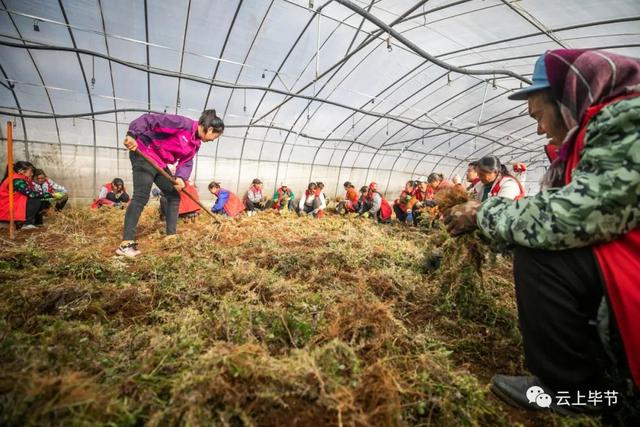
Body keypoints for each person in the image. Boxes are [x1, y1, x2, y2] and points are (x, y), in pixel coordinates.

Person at [444, 49, 640, 415]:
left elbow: (569, 218)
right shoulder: (600, 133)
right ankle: (606, 375)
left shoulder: (630, 121)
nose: (539, 129)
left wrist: (483, 214)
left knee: (544, 253)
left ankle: (574, 392)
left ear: (566, 100)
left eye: (539, 115)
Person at [117, 110, 224, 257]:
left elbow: (187, 162)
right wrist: (132, 135)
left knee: (174, 196)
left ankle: (171, 237)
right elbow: (151, 119)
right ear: (210, 129)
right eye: (215, 137)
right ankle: (126, 244)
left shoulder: (195, 144)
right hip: (144, 152)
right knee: (141, 196)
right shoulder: (182, 124)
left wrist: (180, 178)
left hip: (160, 163)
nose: (213, 140)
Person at [0, 161, 52, 229]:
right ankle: (27, 223)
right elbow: (31, 194)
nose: (32, 174)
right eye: (30, 171)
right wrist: (49, 195)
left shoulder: (21, 179)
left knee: (40, 197)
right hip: (7, 209)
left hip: (12, 207)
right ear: (21, 171)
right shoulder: (16, 180)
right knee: (36, 198)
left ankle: (37, 222)